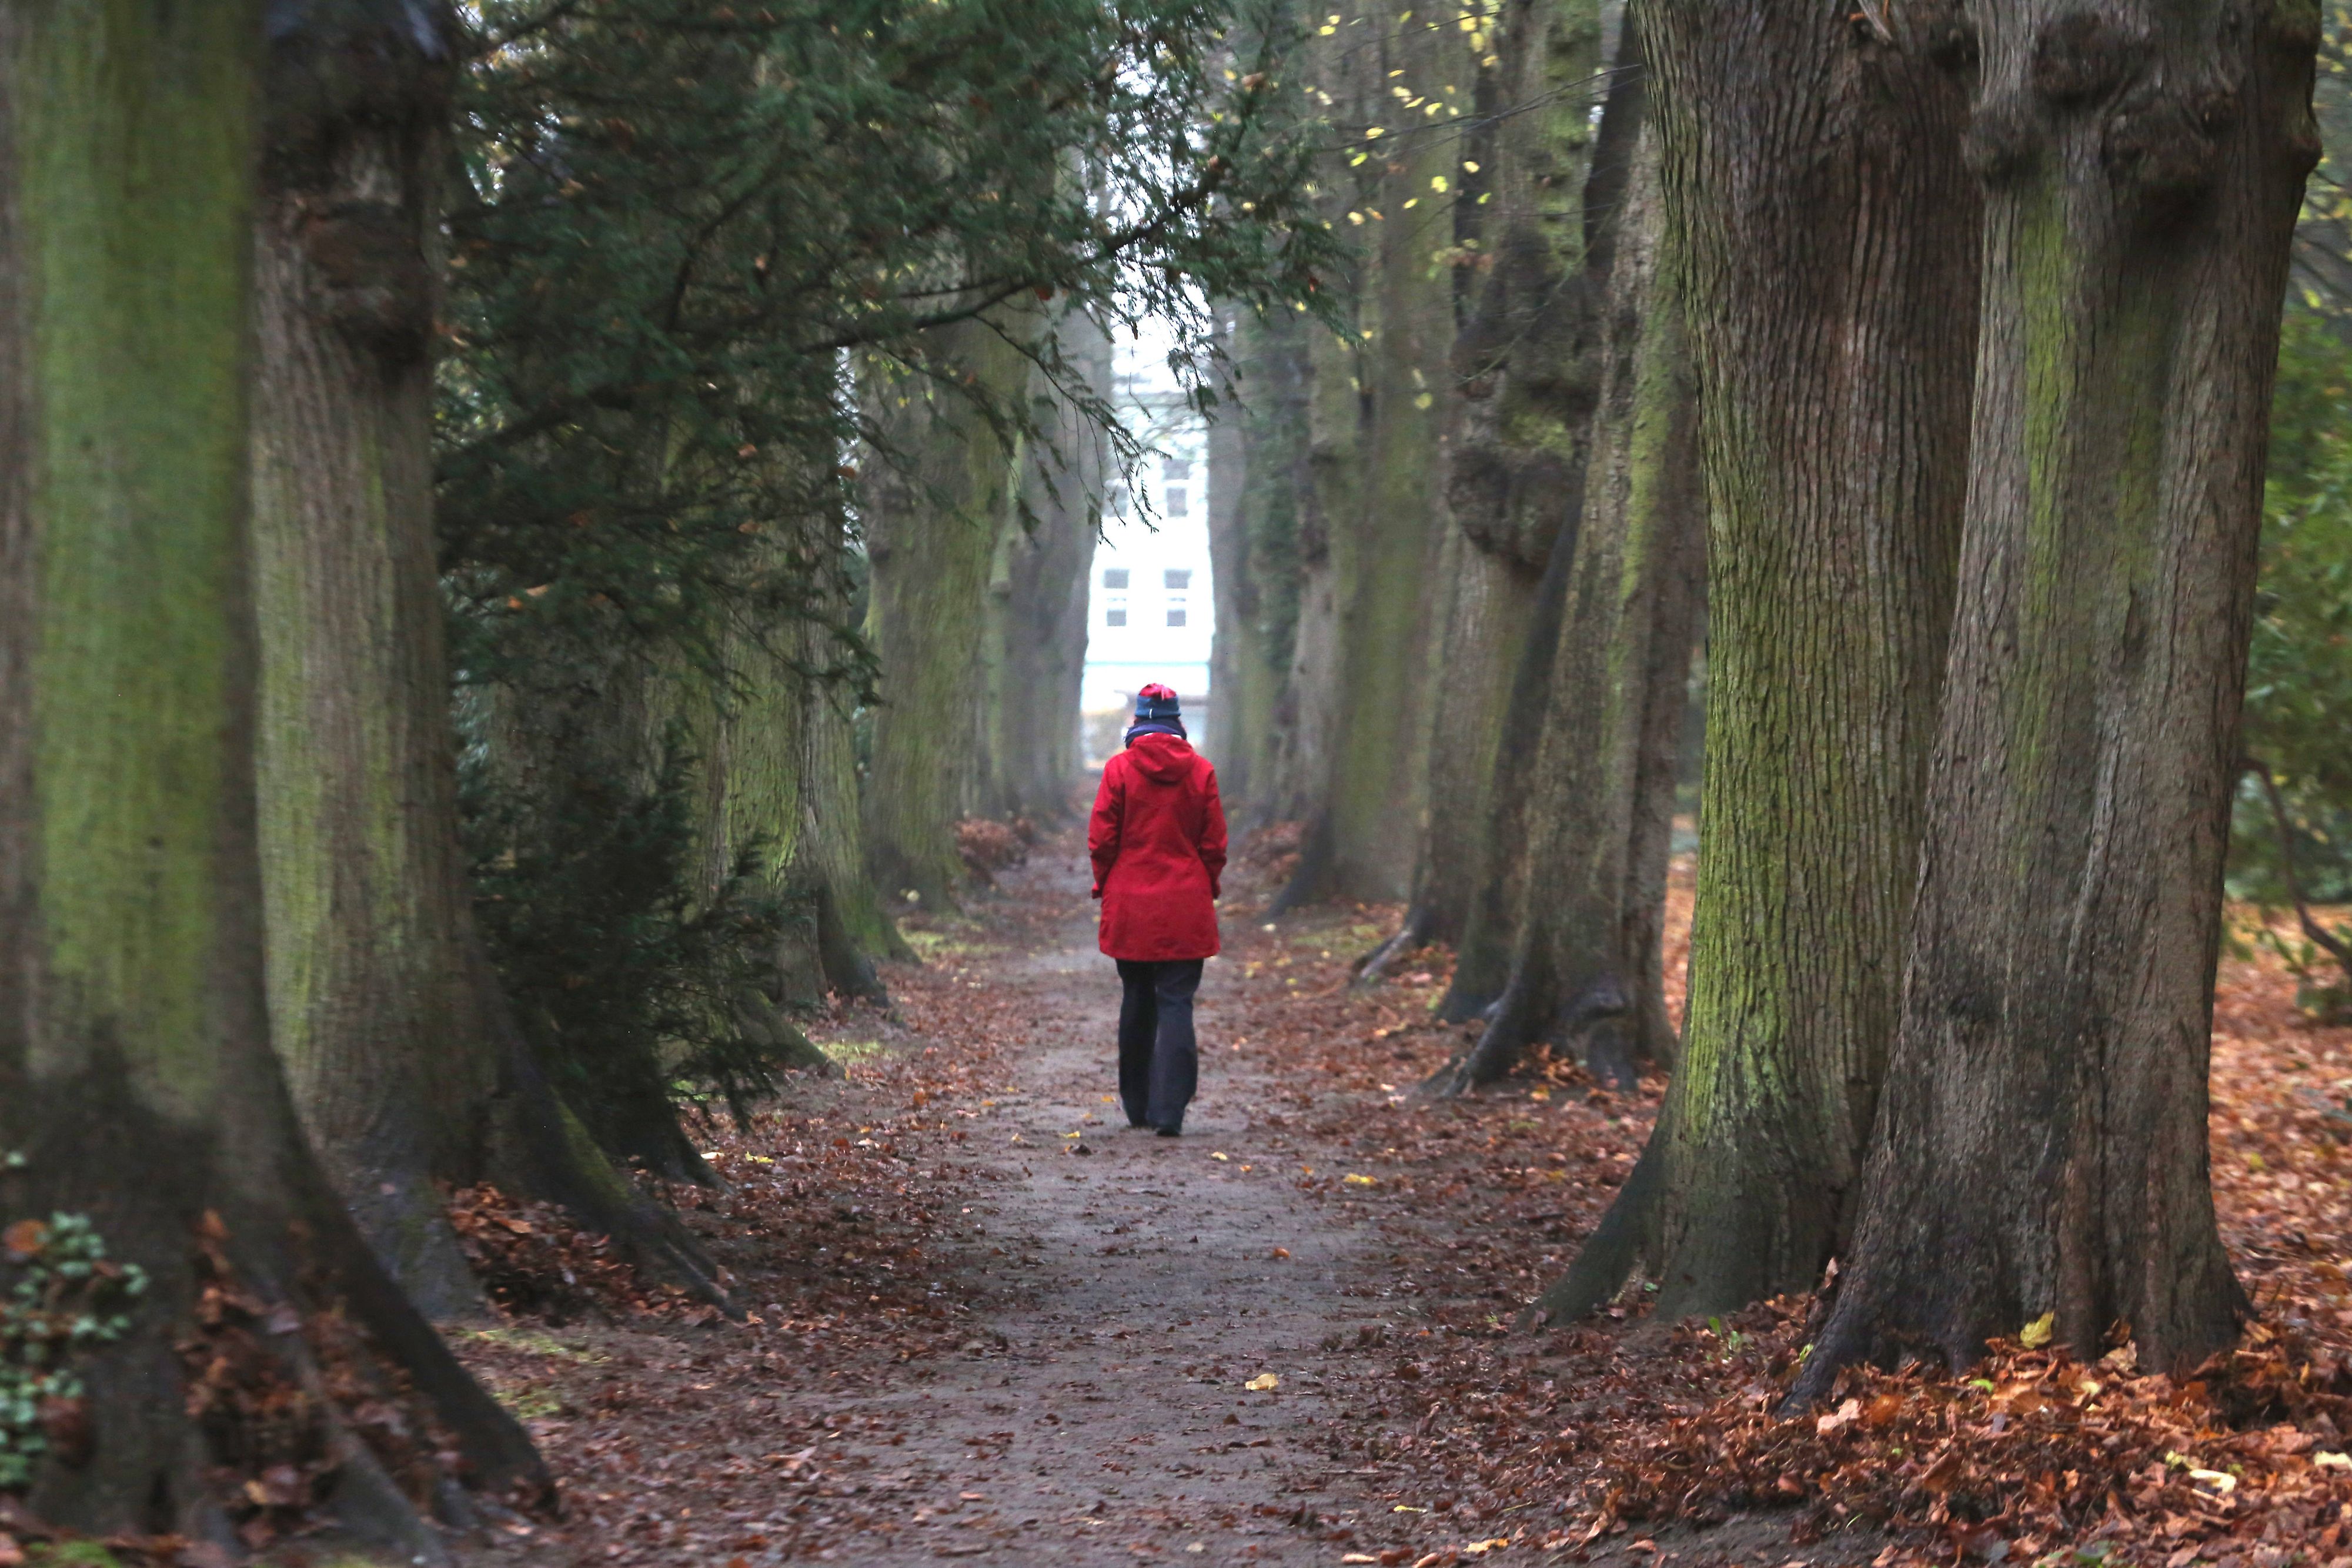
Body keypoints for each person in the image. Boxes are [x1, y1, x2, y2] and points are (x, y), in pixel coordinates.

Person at [1088, 683, 1228, 1136]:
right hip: (1186, 902)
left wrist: (1106, 883)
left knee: (1137, 999)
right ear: (1177, 724)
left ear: (1138, 724)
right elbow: (1214, 843)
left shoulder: (1119, 769)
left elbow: (1102, 839)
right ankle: (1171, 1111)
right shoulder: (1201, 771)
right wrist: (1207, 883)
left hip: (1131, 903)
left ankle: (1137, 1105)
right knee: (1176, 1002)